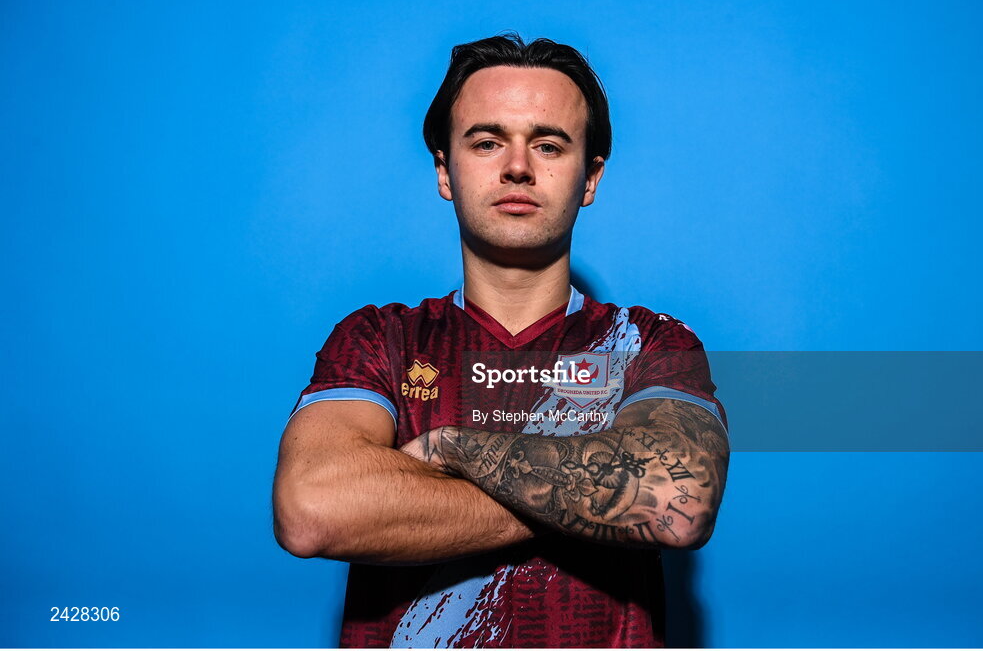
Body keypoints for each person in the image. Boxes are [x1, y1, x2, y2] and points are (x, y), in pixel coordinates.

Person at [272, 32, 730, 648]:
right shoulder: (378, 338)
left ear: (590, 177)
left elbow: (676, 500)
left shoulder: (648, 342)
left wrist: (448, 449)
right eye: (487, 142)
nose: (518, 166)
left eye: (548, 144)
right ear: (444, 169)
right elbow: (313, 509)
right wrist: (596, 497)